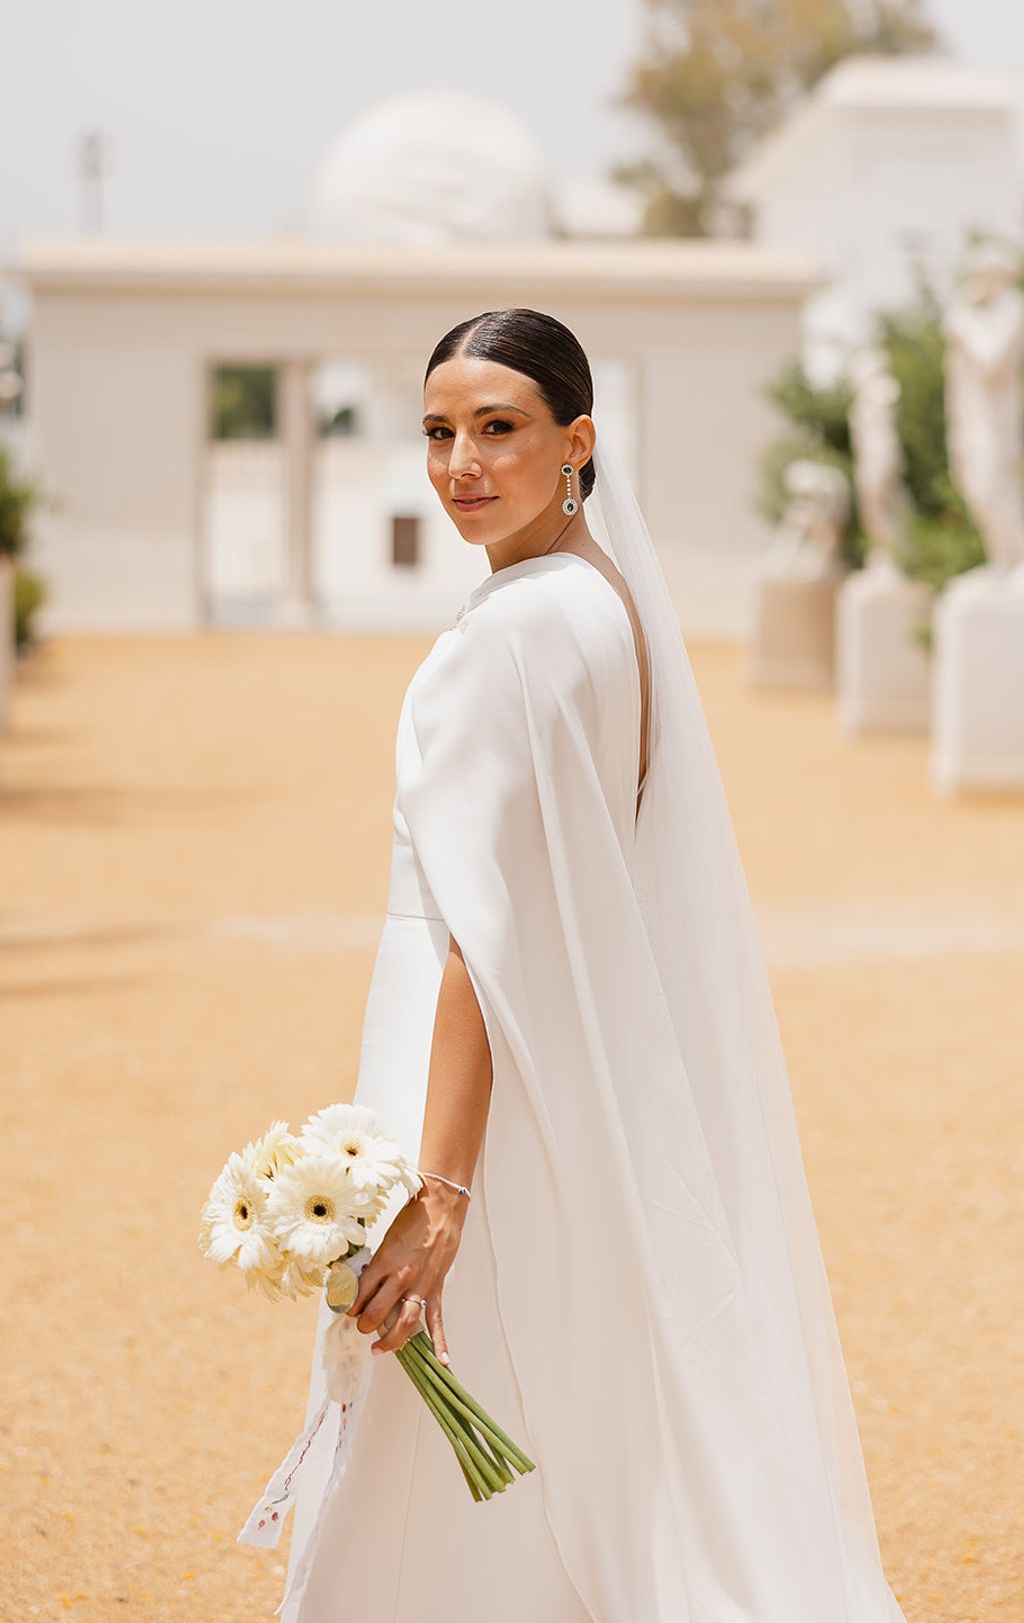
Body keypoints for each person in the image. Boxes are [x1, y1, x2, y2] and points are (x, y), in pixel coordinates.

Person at [265, 308, 909, 1620]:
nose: (460, 464)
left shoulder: (518, 629)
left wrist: (440, 1189)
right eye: (438, 431)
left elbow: (486, 932)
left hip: (472, 1081)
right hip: (554, 1062)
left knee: (453, 1413)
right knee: (566, 1391)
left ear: (578, 442)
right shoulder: (601, 600)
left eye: (498, 428)